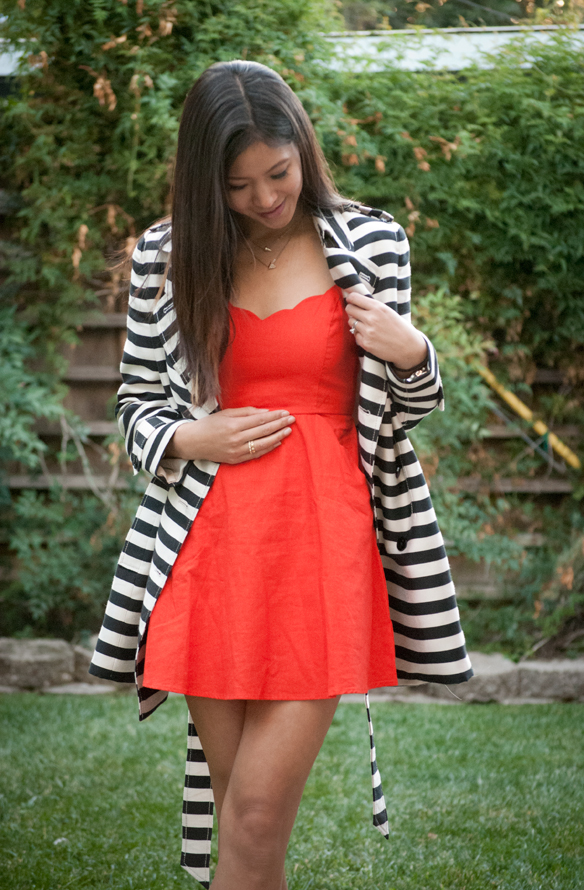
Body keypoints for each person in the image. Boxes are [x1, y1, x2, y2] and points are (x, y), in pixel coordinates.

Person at [89, 60, 472, 890]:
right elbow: (134, 406)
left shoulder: (370, 244)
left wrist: (417, 355)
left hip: (323, 549)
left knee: (258, 818)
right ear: (204, 182)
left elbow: (400, 413)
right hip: (206, 550)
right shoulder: (167, 256)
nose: (266, 198)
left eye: (280, 172)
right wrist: (195, 437)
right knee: (240, 823)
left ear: (304, 148)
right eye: (238, 185)